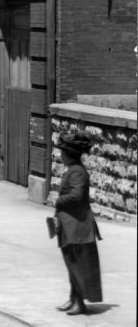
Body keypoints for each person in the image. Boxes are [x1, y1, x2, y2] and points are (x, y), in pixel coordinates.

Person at [54, 131, 103, 316]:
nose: (61, 155)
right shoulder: (74, 170)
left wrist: (59, 201)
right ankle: (73, 298)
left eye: (62, 152)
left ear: (68, 154)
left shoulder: (77, 172)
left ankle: (79, 303)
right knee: (71, 264)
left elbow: (77, 196)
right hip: (71, 226)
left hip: (78, 227)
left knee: (77, 265)